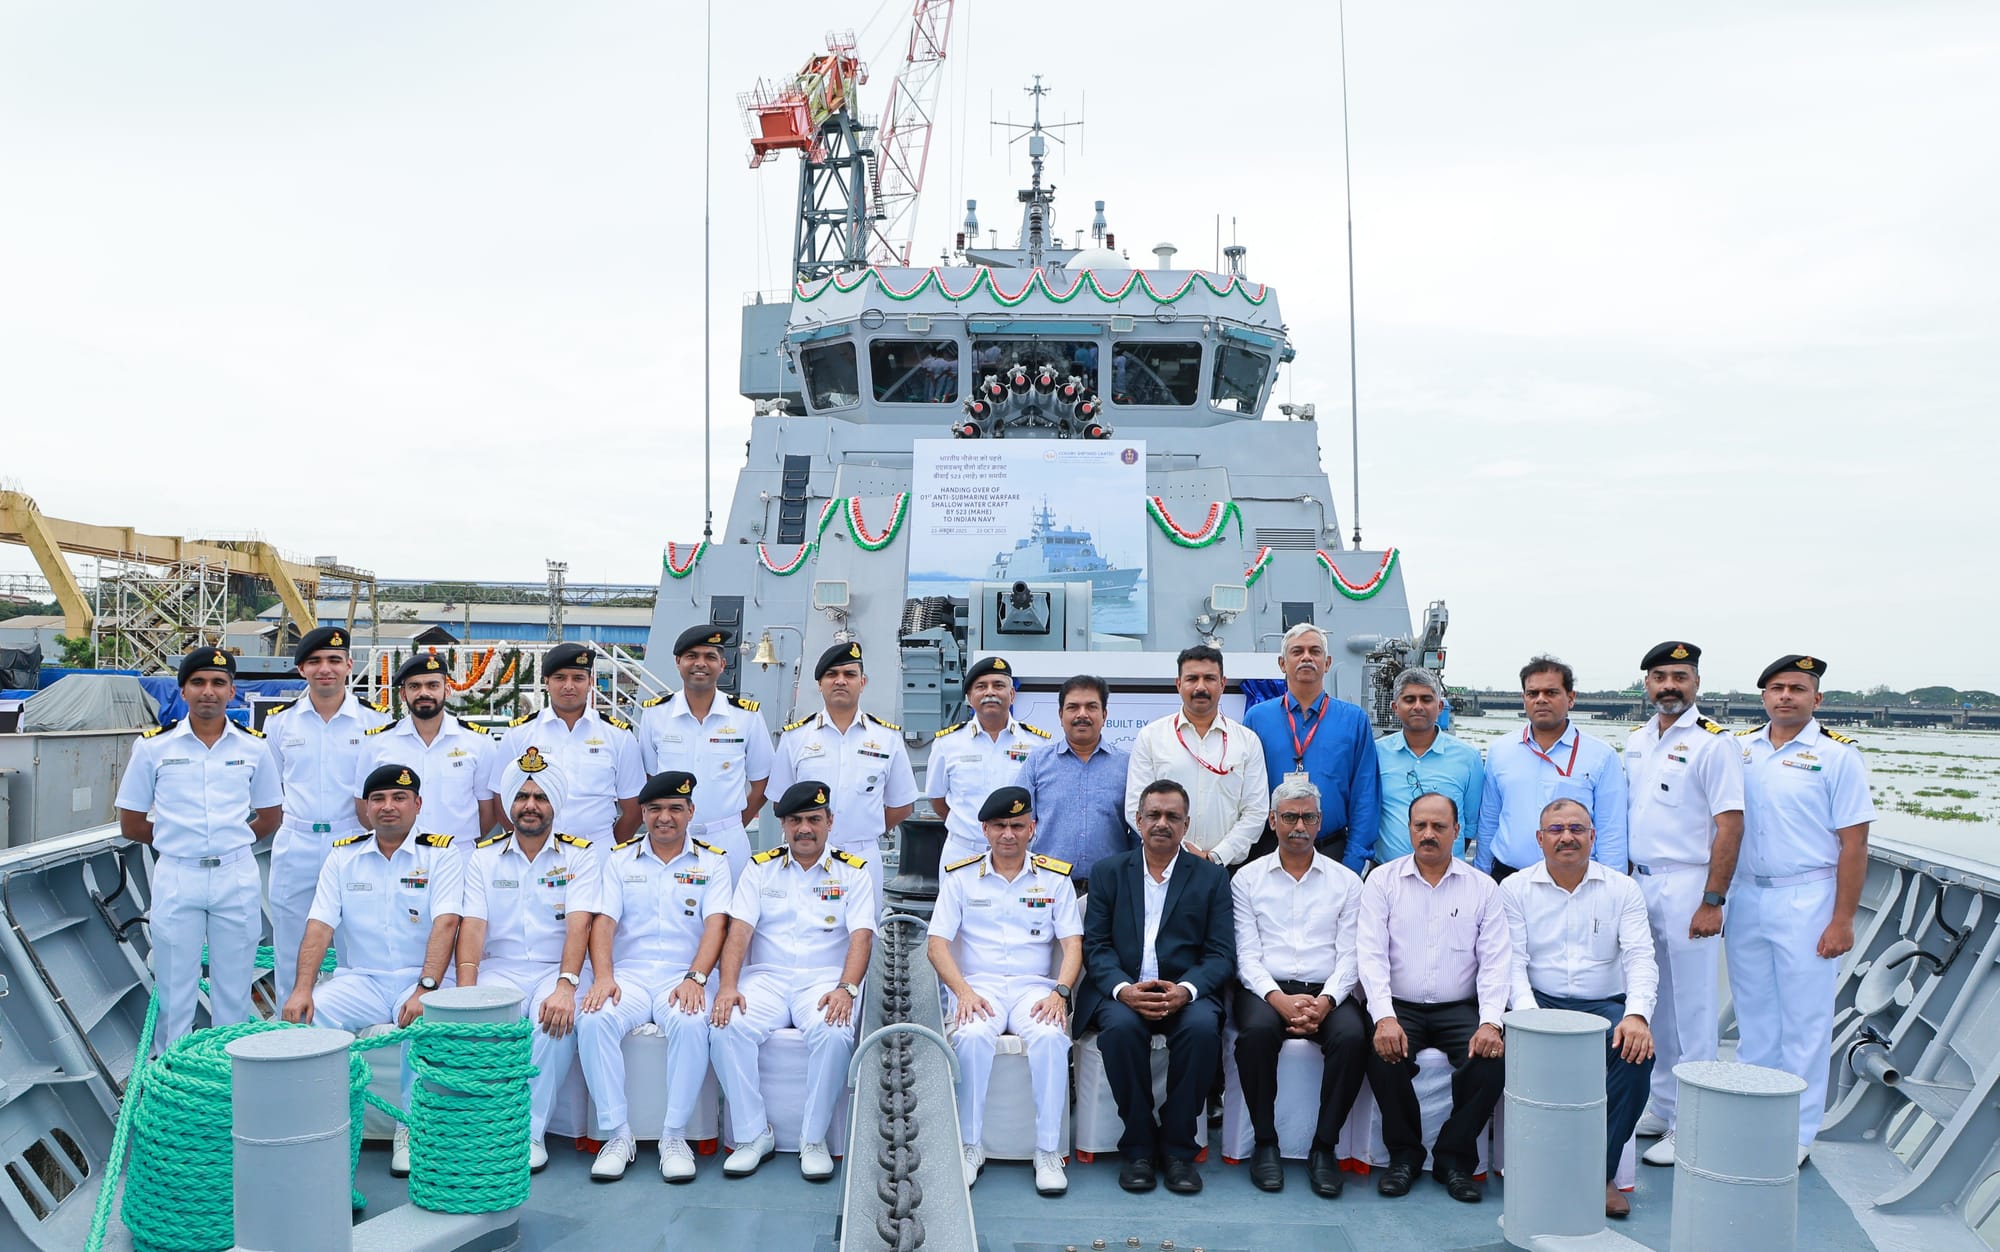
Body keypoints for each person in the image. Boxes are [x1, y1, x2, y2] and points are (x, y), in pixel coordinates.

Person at [282, 763, 463, 1177]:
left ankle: (408, 1130)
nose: (388, 807)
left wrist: (425, 988)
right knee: (309, 1015)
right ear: (365, 809)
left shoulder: (442, 853)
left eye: (399, 798)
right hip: (361, 978)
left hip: (420, 977)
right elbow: (319, 926)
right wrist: (301, 989)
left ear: (418, 804)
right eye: (378, 799)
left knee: (422, 1024)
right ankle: (319, 1125)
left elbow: (447, 922)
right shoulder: (343, 856)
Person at [1729, 655, 1875, 1165]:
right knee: (1755, 1016)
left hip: (1807, 897)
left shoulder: (1838, 757)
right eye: (1776, 687)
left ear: (1818, 699)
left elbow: (1854, 845)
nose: (1785, 696)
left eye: (1797, 688)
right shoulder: (1739, 749)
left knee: (1806, 1020)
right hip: (1747, 894)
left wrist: (1842, 919)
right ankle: (1751, 1112)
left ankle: (1797, 1131)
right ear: (1763, 696)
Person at [115, 647, 284, 1048]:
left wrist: (229, 842)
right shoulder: (154, 748)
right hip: (178, 874)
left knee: (234, 986)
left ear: (232, 692)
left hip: (235, 874)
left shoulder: (254, 748)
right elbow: (132, 822)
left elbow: (271, 815)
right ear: (183, 690)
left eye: (218, 683)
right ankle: (172, 1071)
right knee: (175, 987)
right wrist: (181, 842)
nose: (208, 691)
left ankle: (228, 1073)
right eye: (198, 682)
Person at [710, 781, 876, 1182]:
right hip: (767, 978)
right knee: (726, 1025)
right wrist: (728, 986)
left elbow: (861, 937)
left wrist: (847, 989)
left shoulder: (854, 872)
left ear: (830, 822)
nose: (805, 828)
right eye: (796, 820)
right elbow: (739, 933)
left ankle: (814, 1138)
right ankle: (753, 1135)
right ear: (782, 825)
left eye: (814, 820)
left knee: (835, 1032)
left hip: (823, 980)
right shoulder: (759, 868)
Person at [1501, 798, 1658, 1219]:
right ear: (1539, 839)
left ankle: (1596, 1174)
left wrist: (1637, 1015)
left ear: (1592, 837)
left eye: (1576, 828)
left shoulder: (1622, 888)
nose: (1566, 837)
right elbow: (1512, 962)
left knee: (1637, 1055)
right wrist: (1533, 1020)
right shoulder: (1514, 888)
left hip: (1603, 1007)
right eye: (1555, 829)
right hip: (1537, 1000)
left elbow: (1640, 956)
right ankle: (1520, 1166)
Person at [1080, 779, 1237, 1196]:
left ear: (1186, 825)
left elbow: (1221, 954)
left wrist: (1185, 990)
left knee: (1203, 1030)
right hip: (1123, 992)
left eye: (1172, 816)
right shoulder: (1108, 873)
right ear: (1138, 820)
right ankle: (1138, 1145)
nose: (1162, 823)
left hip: (1185, 994)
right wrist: (1122, 989)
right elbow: (1095, 946)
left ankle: (1179, 1149)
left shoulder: (1211, 878)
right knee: (1119, 1030)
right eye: (1154, 815)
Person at [1622, 641, 1744, 1168]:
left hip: (1690, 883)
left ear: (1696, 682)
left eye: (1680, 676)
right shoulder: (1636, 741)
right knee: (1657, 1002)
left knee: (1694, 1008)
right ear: (1646, 684)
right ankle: (1664, 1104)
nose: (1669, 685)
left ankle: (1692, 1124)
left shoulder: (1716, 745)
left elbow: (1730, 825)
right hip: (1642, 883)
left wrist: (1712, 899)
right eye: (1659, 677)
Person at [580, 770, 734, 1182]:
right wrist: (603, 977)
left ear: (690, 812)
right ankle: (617, 1134)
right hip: (628, 975)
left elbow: (716, 925)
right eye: (655, 810)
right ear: (643, 813)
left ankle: (674, 1136)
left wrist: (696, 978)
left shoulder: (713, 863)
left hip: (682, 975)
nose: (665, 818)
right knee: (593, 1019)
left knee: (690, 1020)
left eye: (674, 809)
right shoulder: (618, 859)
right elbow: (603, 924)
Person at [928, 786, 1081, 1196]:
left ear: (1033, 828)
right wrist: (961, 992)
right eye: (1000, 825)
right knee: (973, 1036)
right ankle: (969, 1146)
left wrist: (1061, 994)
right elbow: (937, 944)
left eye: (1017, 825)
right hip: (980, 987)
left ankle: (1048, 1151)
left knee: (1051, 1039)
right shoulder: (960, 877)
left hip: (1036, 988)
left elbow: (1072, 945)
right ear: (985, 829)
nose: (1008, 834)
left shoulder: (1055, 878)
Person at [1359, 793, 1510, 1204]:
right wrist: (1383, 1017)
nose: (1429, 835)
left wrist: (1491, 1022)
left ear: (1457, 831)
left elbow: (1496, 961)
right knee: (1380, 1054)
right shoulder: (1382, 881)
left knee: (1493, 1060)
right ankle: (1404, 1156)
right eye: (1420, 826)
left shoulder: (1482, 888)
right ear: (1409, 829)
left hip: (1460, 1007)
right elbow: (1370, 955)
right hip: (1400, 1005)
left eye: (1439, 827)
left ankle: (1454, 1158)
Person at [457, 748, 601, 1172]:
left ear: (554, 803)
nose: (530, 806)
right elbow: (473, 927)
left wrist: (565, 986)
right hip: (499, 967)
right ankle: (477, 1128)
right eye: (521, 797)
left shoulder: (580, 856)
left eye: (540, 797)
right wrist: (467, 988)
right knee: (476, 1021)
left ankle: (528, 1133)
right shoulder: (483, 859)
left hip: (559, 969)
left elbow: (580, 927)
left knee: (552, 1020)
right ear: (509, 804)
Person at [1230, 778, 1368, 1197]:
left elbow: (1352, 956)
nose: (1298, 826)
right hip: (1266, 991)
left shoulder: (1347, 882)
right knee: (1254, 1036)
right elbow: (1246, 956)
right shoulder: (1246, 880)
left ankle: (1324, 1148)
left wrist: (1325, 1001)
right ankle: (1266, 1144)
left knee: (1353, 1038)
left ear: (1320, 821)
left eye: (1308, 817)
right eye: (1289, 817)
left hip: (1328, 989)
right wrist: (1279, 1000)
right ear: (1273, 821)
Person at [264, 626, 391, 1007]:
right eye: (315, 661)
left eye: (334, 660)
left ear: (349, 665)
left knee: (357, 944)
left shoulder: (374, 723)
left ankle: (354, 1035)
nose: (326, 669)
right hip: (297, 842)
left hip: (352, 840)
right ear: (301, 669)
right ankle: (292, 1037)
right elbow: (272, 787)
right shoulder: (279, 723)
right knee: (291, 945)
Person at [767, 642, 917, 900]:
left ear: (863, 682)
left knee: (863, 936)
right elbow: (781, 801)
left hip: (863, 856)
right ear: (819, 684)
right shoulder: (796, 738)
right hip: (807, 855)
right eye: (831, 675)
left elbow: (902, 805)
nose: (840, 681)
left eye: (849, 675)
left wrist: (865, 829)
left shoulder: (887, 738)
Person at [1242, 623, 1381, 870]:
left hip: (1333, 852)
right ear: (1282, 663)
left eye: (1314, 651)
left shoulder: (1354, 720)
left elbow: (1365, 794)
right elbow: (1244, 790)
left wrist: (1354, 861)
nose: (1307, 657)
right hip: (1269, 852)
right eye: (1297, 651)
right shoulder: (1257, 718)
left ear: (1327, 663)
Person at [1477, 655, 1628, 880]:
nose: (1541, 699)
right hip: (1508, 878)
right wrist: (1482, 877)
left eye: (1551, 692)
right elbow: (1489, 820)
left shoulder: (1601, 756)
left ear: (1571, 698)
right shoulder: (1501, 751)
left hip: (1577, 881)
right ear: (1524, 698)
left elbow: (1611, 830)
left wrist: (1614, 888)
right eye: (1533, 693)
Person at [637, 625, 773, 864]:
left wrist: (733, 824)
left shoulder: (746, 717)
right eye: (692, 656)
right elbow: (649, 779)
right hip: (671, 839)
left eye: (710, 657)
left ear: (722, 665)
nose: (700, 663)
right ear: (678, 662)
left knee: (730, 903)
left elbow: (763, 783)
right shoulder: (655, 715)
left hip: (727, 840)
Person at [1124, 646, 1268, 867]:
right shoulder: (1151, 737)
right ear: (1178, 684)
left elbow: (1255, 812)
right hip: (1164, 866)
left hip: (1226, 869)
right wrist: (1180, 851)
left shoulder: (1247, 742)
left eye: (1209, 678)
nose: (1201, 687)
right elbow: (1136, 806)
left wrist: (1216, 856)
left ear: (1222, 683)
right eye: (1192, 678)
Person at [492, 642, 643, 843]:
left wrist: (609, 848)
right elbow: (499, 799)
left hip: (596, 849)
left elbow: (634, 809)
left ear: (590, 682)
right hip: (537, 850)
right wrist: (528, 842)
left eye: (578, 678)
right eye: (560, 678)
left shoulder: (618, 737)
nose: (569, 686)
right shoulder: (519, 734)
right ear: (547, 682)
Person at [360, 652, 501, 842]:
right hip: (399, 853)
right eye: (414, 686)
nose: (424, 693)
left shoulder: (478, 742)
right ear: (403, 694)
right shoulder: (378, 743)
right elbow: (364, 806)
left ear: (447, 690)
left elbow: (488, 810)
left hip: (458, 853)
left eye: (433, 685)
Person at [928, 655, 1052, 864]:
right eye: (981, 686)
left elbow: (1045, 799)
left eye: (998, 685)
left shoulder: (1038, 743)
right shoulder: (947, 743)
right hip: (963, 852)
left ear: (1012, 694)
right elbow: (937, 799)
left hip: (1018, 853)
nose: (990, 692)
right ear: (969, 696)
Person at [1020, 674, 1133, 889]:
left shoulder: (1127, 765)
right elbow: (1018, 824)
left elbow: (1138, 831)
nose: (1082, 714)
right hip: (1048, 886)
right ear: (1061, 714)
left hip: (1111, 889)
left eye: (1091, 707)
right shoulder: (1037, 762)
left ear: (1104, 714)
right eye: (1073, 707)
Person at [1374, 668, 1483, 863]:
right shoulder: (1376, 753)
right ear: (1395, 707)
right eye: (1409, 700)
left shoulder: (1468, 757)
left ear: (1440, 706)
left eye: (1426, 699)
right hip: (1388, 877)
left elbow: (1469, 826)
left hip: (1447, 878)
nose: (1418, 706)